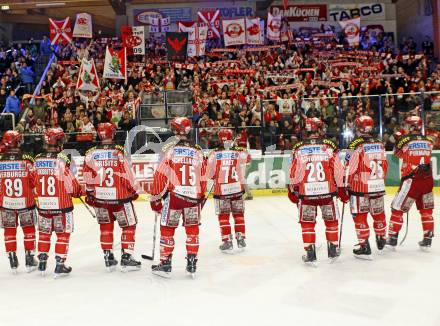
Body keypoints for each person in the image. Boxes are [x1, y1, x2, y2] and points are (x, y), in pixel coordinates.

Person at [150, 117, 206, 278]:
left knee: (167, 229)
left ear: (175, 131)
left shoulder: (170, 151)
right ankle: (192, 262)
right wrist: (200, 197)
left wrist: (155, 198)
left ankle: (165, 263)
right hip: (193, 198)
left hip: (174, 197)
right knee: (192, 230)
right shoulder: (198, 152)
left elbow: (160, 176)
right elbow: (203, 177)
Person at [83, 122, 141, 272]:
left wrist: (90, 193)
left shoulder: (90, 154)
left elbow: (88, 177)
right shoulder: (119, 152)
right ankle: (127, 257)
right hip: (120, 198)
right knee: (129, 225)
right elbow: (127, 174)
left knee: (105, 227)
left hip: (100, 199)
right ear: (113, 133)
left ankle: (108, 257)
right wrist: (133, 190)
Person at [288, 117, 345, 265]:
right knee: (331, 221)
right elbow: (338, 169)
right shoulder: (328, 147)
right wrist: (342, 188)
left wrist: (293, 189)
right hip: (327, 192)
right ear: (319, 129)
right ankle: (333, 249)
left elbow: (294, 172)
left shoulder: (298, 148)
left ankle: (310, 253)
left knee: (307, 223)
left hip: (306, 194)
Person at [33, 128, 83, 277]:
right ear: (59, 141)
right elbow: (73, 186)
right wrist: (77, 192)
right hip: (62, 206)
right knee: (63, 234)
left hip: (43, 205)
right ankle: (60, 265)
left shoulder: (37, 159)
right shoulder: (62, 160)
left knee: (44, 233)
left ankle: (42, 262)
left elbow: (32, 181)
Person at [386, 116, 434, 250]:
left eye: (407, 125)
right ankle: (428, 238)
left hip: (411, 180)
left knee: (397, 208)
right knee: (426, 210)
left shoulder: (405, 140)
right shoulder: (429, 140)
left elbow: (397, 154)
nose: (406, 127)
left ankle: (392, 238)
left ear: (412, 127)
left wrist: (397, 140)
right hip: (427, 180)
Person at [344, 116, 388, 259]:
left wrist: (345, 184)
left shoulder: (353, 145)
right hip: (377, 185)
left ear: (358, 128)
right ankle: (381, 240)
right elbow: (385, 165)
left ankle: (364, 246)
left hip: (360, 188)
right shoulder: (380, 143)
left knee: (360, 216)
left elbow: (348, 166)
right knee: (379, 214)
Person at [207, 128, 251, 253]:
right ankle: (241, 238)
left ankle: (227, 241)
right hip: (237, 189)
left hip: (222, 191)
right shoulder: (239, 153)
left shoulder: (213, 154)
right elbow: (247, 158)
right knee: (239, 215)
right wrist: (235, 148)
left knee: (223, 217)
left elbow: (210, 174)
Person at [0, 131, 38, 273]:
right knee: (28, 229)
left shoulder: (0, 160)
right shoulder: (27, 160)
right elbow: (34, 181)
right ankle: (29, 259)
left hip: (6, 203)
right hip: (25, 203)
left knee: (9, 231)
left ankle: (12, 260)